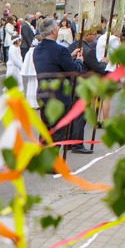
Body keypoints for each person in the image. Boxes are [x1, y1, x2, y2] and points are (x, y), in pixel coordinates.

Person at [31, 18, 88, 150]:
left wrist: (69, 55)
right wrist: (79, 60)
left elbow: (53, 61)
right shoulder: (60, 50)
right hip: (59, 96)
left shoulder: (38, 49)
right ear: (53, 31)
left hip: (43, 94)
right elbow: (74, 71)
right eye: (56, 28)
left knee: (46, 129)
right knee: (58, 131)